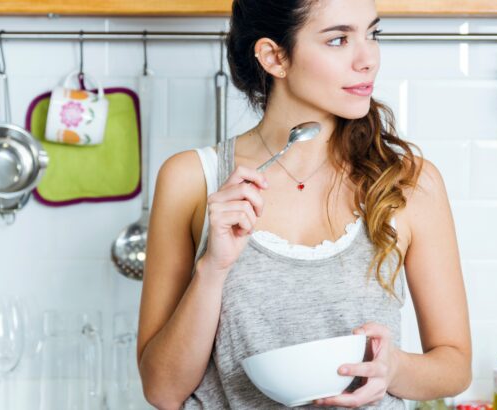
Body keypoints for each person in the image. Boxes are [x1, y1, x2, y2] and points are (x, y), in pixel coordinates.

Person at [137, 0, 471, 408]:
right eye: (338, 39)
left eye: (373, 34)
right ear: (275, 57)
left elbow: (454, 366)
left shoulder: (407, 182)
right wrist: (213, 269)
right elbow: (161, 391)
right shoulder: (193, 179)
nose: (368, 60)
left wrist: (394, 369)